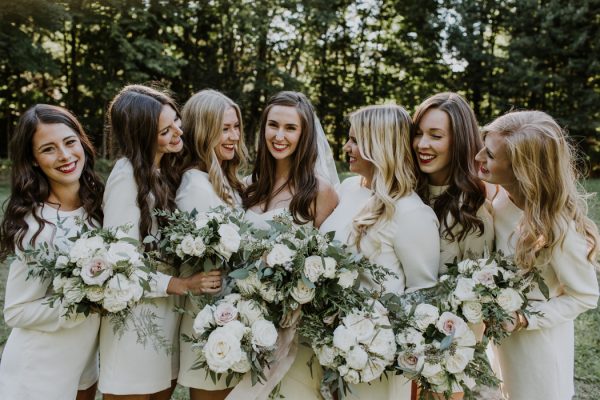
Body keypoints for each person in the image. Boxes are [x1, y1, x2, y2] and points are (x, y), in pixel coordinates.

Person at [100, 85, 222, 400]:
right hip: (135, 324)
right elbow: (120, 267)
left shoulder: (160, 173)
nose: (178, 133)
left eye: (176, 122)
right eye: (164, 130)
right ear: (141, 136)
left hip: (164, 317)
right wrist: (181, 284)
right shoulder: (126, 177)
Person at [475, 110, 600, 400]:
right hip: (504, 346)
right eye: (484, 144)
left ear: (521, 169)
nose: (479, 156)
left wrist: (523, 318)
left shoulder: (557, 229)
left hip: (539, 352)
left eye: (491, 155)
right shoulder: (500, 197)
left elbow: (585, 296)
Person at [320, 104, 440, 399]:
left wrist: (374, 339)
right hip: (329, 342)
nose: (347, 146)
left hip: (376, 357)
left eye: (356, 140)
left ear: (380, 145)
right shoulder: (348, 188)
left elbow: (422, 293)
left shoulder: (411, 212)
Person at [237, 91, 338, 398]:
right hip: (247, 325)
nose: (279, 136)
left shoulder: (320, 192)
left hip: (296, 329)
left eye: (290, 128)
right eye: (273, 125)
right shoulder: (247, 187)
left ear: (305, 134)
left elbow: (327, 267)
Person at [0, 104, 103, 400]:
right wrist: (86, 300)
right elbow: (15, 311)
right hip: (37, 375)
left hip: (83, 369)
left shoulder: (97, 210)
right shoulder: (36, 228)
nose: (65, 155)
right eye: (49, 149)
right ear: (33, 160)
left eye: (70, 142)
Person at [175, 89, 248, 400]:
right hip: (209, 321)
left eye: (235, 127)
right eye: (223, 129)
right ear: (203, 132)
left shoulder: (224, 180)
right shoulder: (195, 187)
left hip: (232, 316)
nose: (232, 137)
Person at [412, 92, 494, 274]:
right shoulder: (404, 193)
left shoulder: (472, 211)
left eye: (436, 136)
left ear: (459, 141)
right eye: (418, 134)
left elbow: (475, 289)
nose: (421, 144)